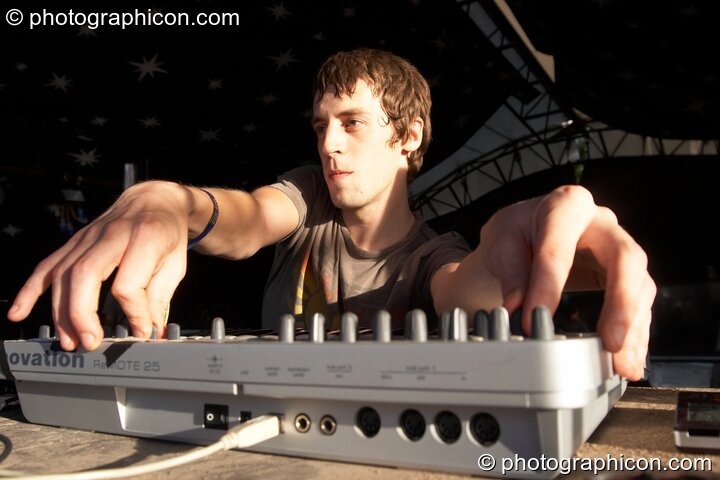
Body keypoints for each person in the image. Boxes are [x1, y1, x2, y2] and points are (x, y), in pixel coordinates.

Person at [6, 48, 655, 380]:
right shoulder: (310, 196)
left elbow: (469, 284)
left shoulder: (432, 254)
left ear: (408, 137)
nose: (330, 143)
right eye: (321, 126)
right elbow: (249, 220)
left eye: (351, 123)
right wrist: (173, 202)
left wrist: (519, 258)